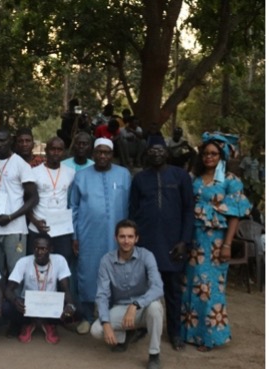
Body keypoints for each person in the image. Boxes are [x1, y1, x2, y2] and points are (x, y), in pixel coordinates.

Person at [181, 134, 251, 352]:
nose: (208, 157)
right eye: (205, 153)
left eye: (213, 153)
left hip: (216, 242)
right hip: (194, 239)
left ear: (222, 155)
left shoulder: (230, 180)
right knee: (190, 286)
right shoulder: (195, 178)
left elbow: (235, 215)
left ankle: (209, 337)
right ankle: (189, 334)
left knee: (209, 289)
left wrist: (227, 244)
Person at [130, 136, 194, 351]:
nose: (156, 153)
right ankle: (140, 327)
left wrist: (184, 241)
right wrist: (133, 245)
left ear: (167, 152)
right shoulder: (139, 180)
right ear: (147, 153)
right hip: (146, 245)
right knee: (142, 289)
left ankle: (174, 333)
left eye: (160, 150)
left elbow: (188, 211)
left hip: (173, 245)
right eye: (152, 150)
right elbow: (133, 213)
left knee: (173, 291)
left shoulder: (181, 176)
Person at [71, 138, 130, 334]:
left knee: (116, 275)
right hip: (88, 236)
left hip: (117, 238)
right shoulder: (81, 176)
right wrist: (75, 237)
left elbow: (129, 205)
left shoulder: (123, 175)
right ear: (93, 154)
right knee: (88, 274)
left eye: (106, 152)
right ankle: (87, 317)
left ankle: (113, 316)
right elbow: (73, 208)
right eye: (99, 152)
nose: (102, 156)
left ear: (112, 155)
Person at [90, 219, 164, 369]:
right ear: (115, 238)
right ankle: (124, 336)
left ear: (136, 238)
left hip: (143, 307)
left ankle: (154, 355)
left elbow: (158, 287)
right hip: (121, 308)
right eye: (122, 236)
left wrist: (136, 304)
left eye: (130, 237)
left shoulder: (147, 256)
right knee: (97, 330)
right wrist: (106, 323)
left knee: (156, 307)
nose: (126, 241)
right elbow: (102, 295)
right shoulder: (106, 260)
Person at [0, 128, 38, 280]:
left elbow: (33, 198)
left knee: (16, 274)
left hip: (14, 229)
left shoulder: (21, 165)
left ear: (11, 141)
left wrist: (10, 217)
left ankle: (16, 303)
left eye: (3, 140)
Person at [4, 235, 76, 344]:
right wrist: (15, 301)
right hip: (28, 305)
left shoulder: (59, 260)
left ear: (51, 249)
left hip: (51, 304)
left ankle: (50, 324)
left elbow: (66, 289)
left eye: (43, 249)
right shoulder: (24, 262)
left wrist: (69, 305)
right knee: (6, 307)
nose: (39, 252)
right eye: (37, 249)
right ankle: (28, 323)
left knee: (76, 309)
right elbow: (8, 290)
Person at [27, 137, 75, 264]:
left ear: (64, 152)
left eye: (59, 149)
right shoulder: (33, 172)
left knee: (62, 264)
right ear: (46, 150)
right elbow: (25, 201)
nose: (56, 152)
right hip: (38, 227)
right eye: (53, 149)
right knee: (35, 265)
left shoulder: (71, 173)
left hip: (61, 229)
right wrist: (35, 221)